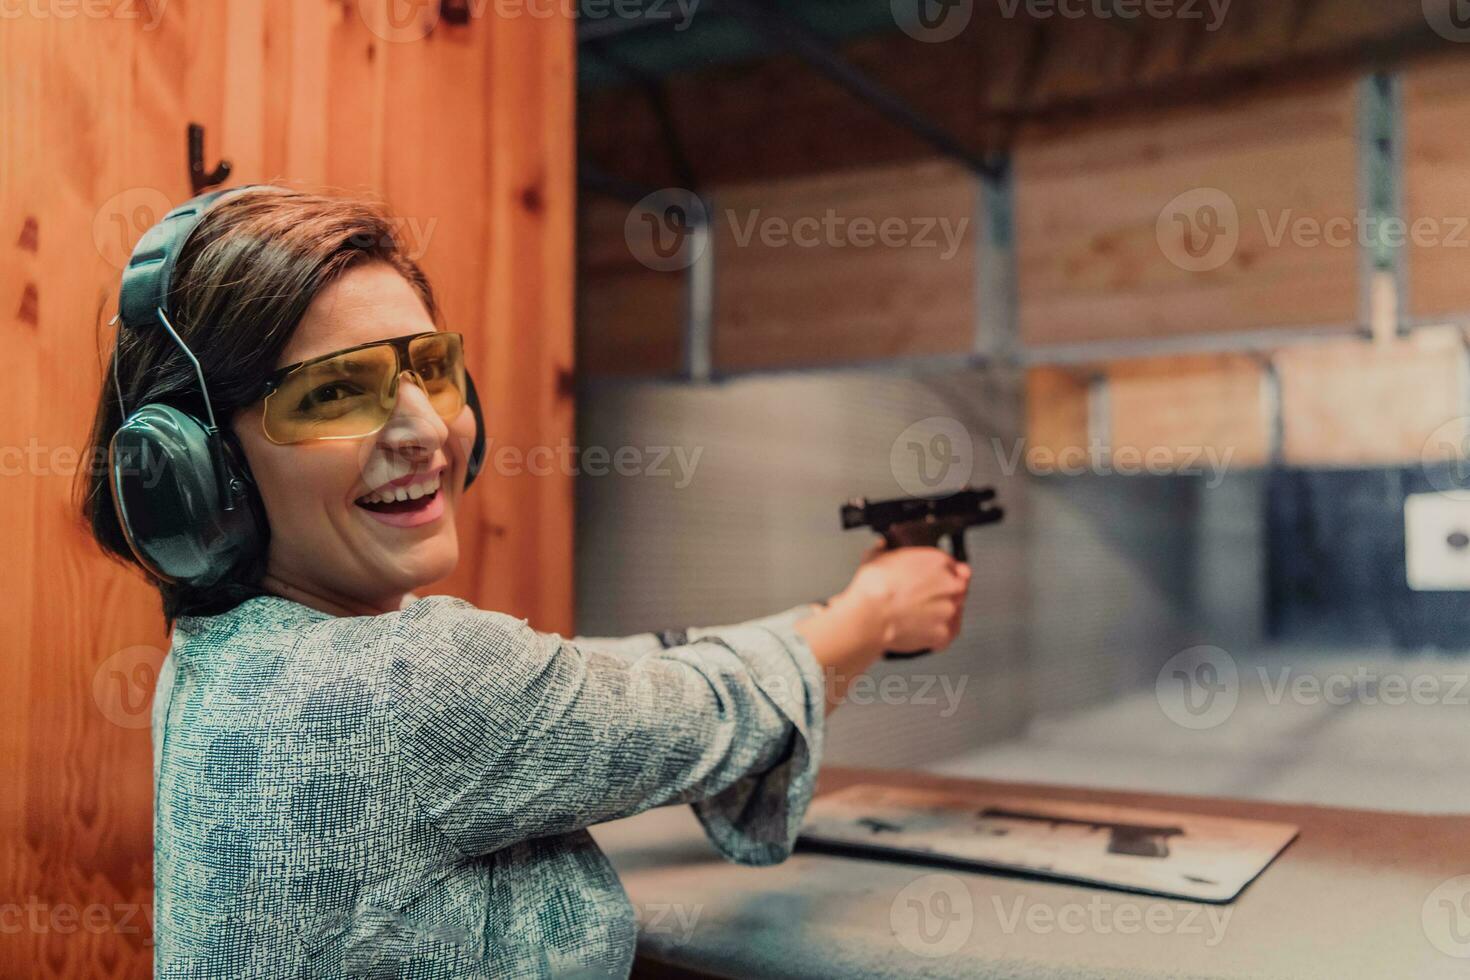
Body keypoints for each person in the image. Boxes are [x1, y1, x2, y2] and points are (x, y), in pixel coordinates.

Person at [78, 186, 971, 977]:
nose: (426, 427)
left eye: (429, 367)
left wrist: (832, 617)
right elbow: (693, 712)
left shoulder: (219, 663)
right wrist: (874, 613)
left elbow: (577, 685)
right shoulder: (408, 681)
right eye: (335, 394)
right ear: (200, 473)